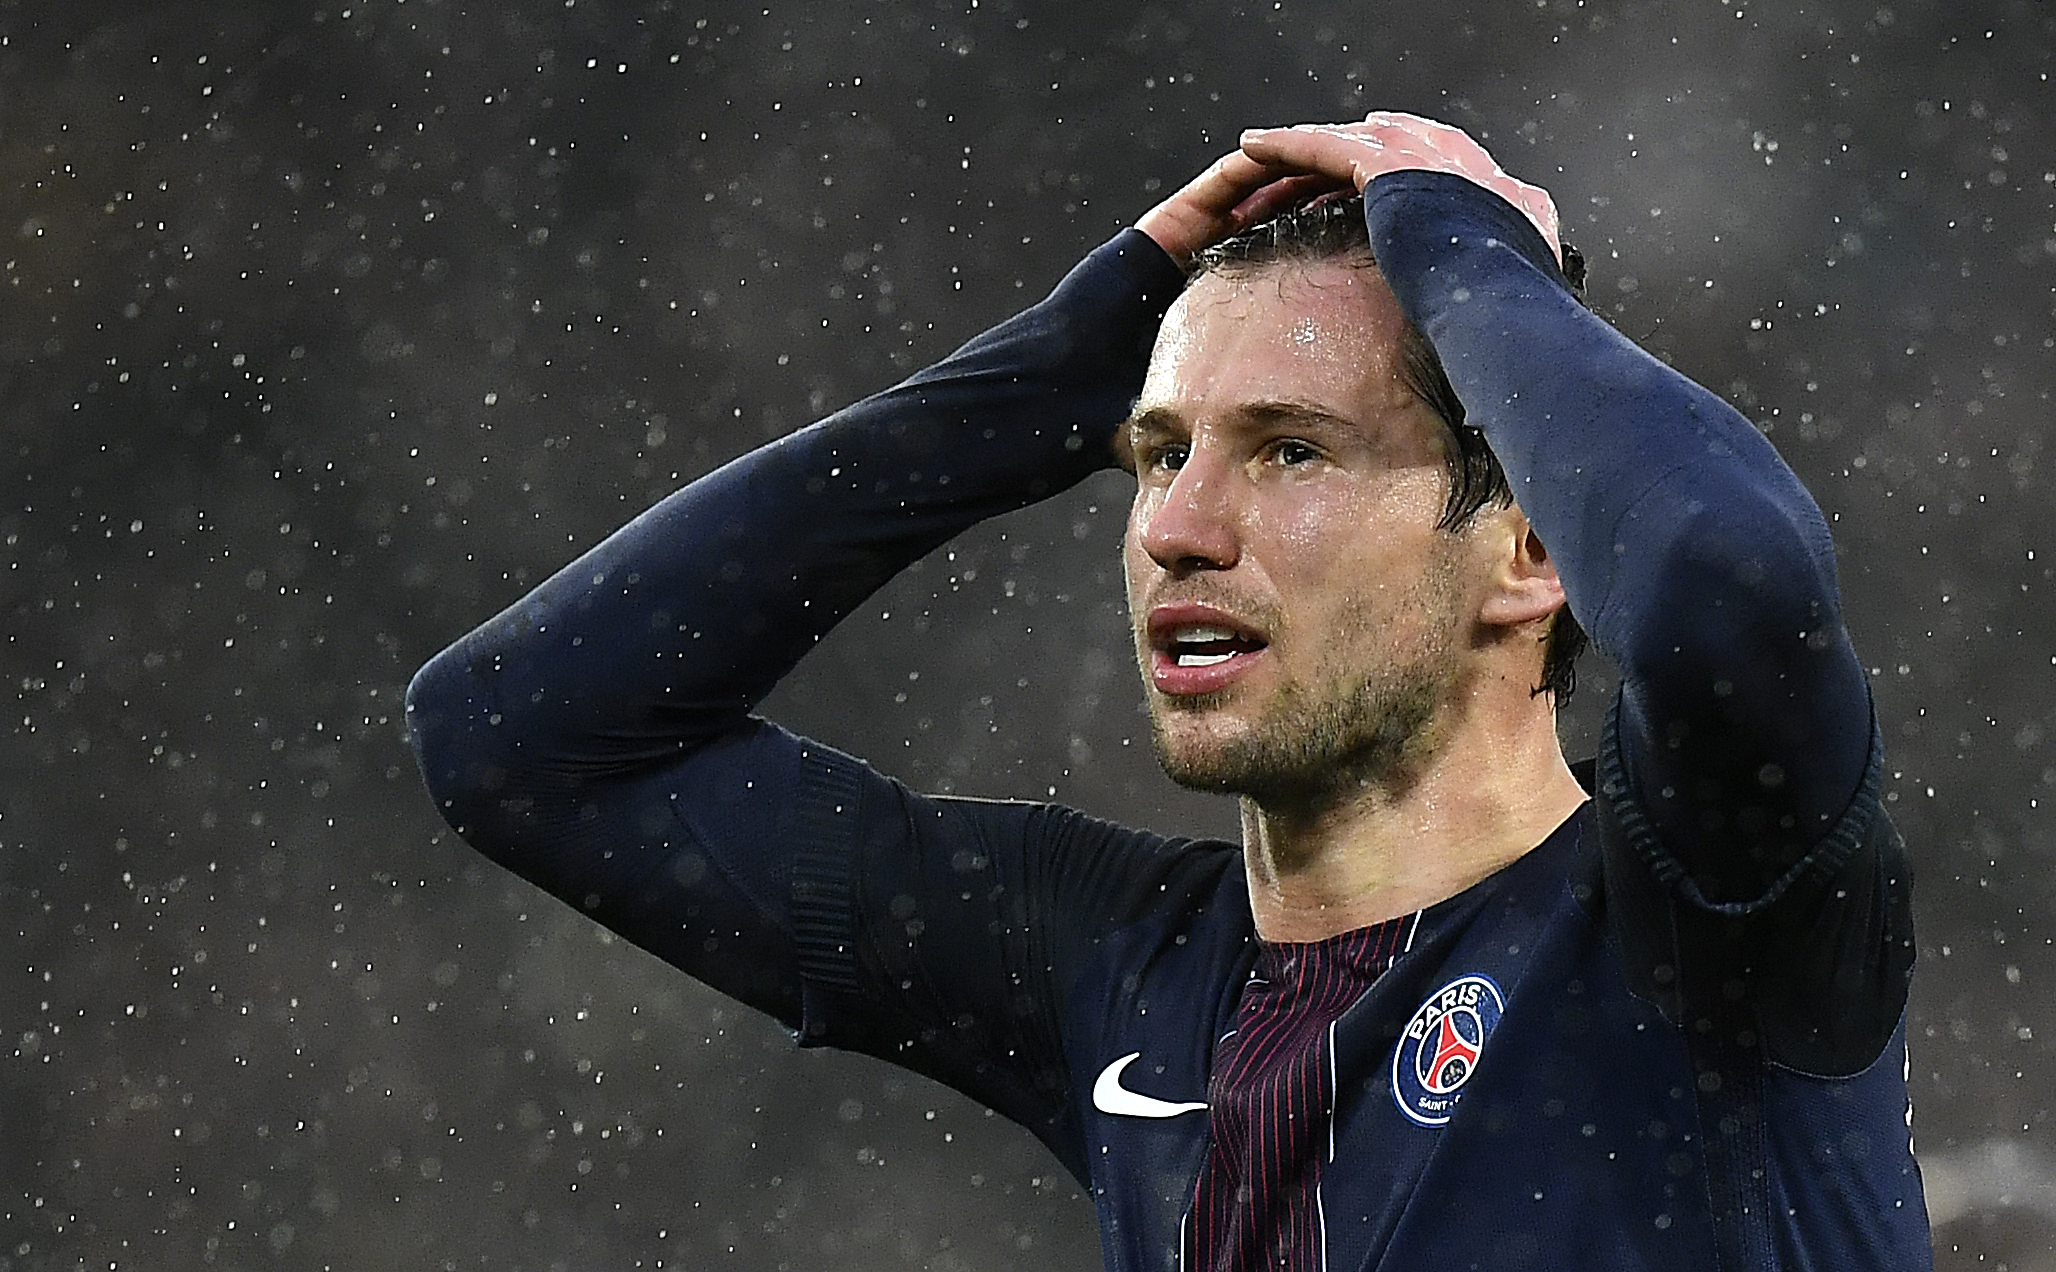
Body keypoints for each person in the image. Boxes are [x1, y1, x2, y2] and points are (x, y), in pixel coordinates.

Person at [407, 114, 1930, 1270]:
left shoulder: (1714, 914)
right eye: (1156, 454)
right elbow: (520, 738)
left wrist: (1466, 252)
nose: (1179, 528)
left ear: (1528, 545)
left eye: (1291, 450)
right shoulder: (1119, 974)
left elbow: (1728, 587)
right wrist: (1047, 381)